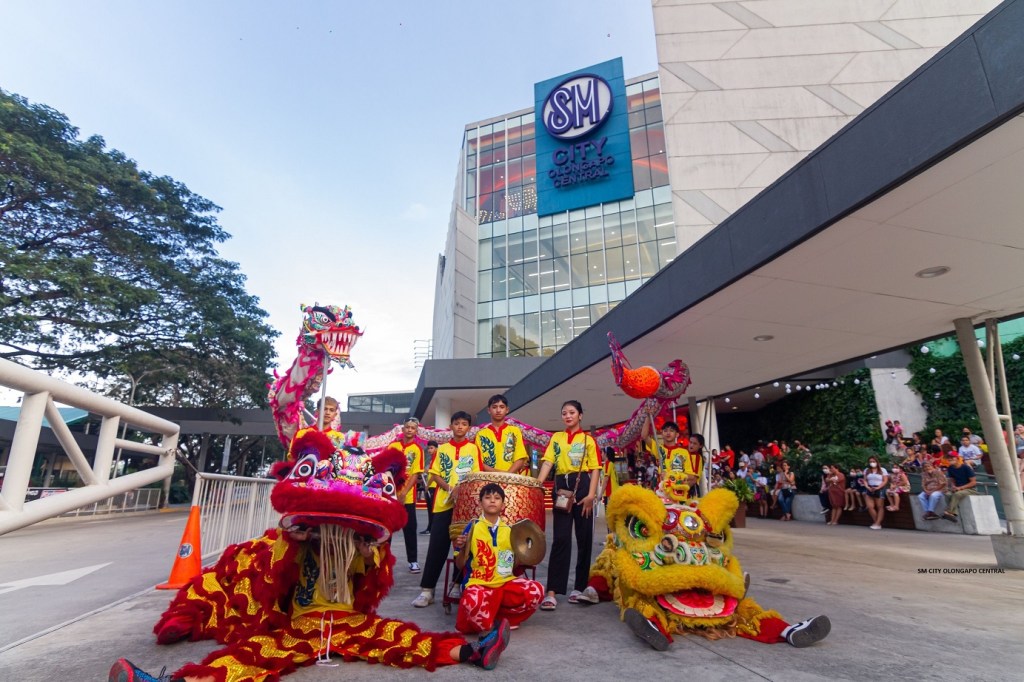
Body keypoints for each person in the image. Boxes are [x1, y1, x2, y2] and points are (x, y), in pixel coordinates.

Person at [453, 483, 544, 634]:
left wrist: (527, 552)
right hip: (479, 583)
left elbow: (513, 565)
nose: (492, 501)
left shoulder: (511, 531)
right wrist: (461, 548)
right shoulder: (472, 527)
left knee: (536, 590)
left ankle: (505, 619)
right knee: (472, 601)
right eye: (487, 498)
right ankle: (490, 623)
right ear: (481, 502)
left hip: (505, 582)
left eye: (497, 498)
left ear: (503, 504)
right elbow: (459, 564)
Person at [413, 412, 483, 608]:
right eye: (457, 423)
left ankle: (456, 584)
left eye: (464, 424)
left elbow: (476, 474)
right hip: (443, 503)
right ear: (451, 426)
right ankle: (427, 590)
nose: (460, 427)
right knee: (437, 545)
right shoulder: (442, 450)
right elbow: (434, 475)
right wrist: (450, 489)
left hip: (466, 506)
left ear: (469, 427)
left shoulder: (473, 449)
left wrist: (462, 489)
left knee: (462, 546)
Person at [535, 400, 600, 610]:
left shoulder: (588, 440)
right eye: (564, 413)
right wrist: (538, 485)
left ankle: (579, 588)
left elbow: (596, 468)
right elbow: (547, 462)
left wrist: (591, 495)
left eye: (572, 412)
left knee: (584, 539)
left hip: (583, 489)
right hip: (561, 487)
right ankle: (552, 591)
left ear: (580, 415)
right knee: (561, 538)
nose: (568, 416)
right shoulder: (557, 437)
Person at [388, 417, 425, 573]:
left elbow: (416, 474)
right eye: (407, 427)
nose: (409, 430)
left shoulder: (417, 449)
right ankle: (383, 560)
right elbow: (385, 467)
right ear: (402, 429)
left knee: (410, 529)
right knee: (387, 528)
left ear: (416, 432)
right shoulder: (393, 446)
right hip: (389, 495)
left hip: (407, 497)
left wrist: (403, 493)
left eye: (413, 428)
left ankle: (413, 561)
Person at [475, 394, 529, 474]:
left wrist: (507, 475)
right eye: (494, 407)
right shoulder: (481, 434)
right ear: (489, 410)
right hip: (488, 481)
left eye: (502, 407)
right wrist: (500, 474)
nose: (498, 410)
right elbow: (478, 462)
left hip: (511, 480)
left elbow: (520, 458)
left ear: (507, 410)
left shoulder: (515, 431)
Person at [942, 453, 977, 522]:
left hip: (970, 489)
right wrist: (953, 486)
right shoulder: (950, 468)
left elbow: (973, 482)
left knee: (957, 494)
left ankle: (948, 512)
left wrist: (961, 488)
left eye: (952, 457)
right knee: (948, 494)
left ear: (957, 458)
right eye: (948, 457)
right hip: (958, 488)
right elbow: (952, 480)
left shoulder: (966, 467)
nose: (950, 459)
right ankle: (953, 514)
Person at [862, 456, 889, 530]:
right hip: (869, 487)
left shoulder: (882, 470)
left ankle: (877, 523)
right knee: (870, 506)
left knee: (880, 506)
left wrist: (878, 487)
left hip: (879, 488)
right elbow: (864, 480)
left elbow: (885, 480)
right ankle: (876, 522)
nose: (872, 463)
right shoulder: (867, 470)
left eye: (873, 461)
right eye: (870, 462)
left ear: (877, 462)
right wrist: (867, 487)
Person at [420, 440, 439, 534]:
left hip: (433, 487)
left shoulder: (437, 458)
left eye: (431, 448)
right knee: (429, 509)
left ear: (436, 448)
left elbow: (434, 474)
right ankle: (429, 527)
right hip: (429, 486)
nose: (430, 450)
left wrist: (427, 485)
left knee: (432, 509)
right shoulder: (431, 459)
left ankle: (432, 528)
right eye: (428, 448)